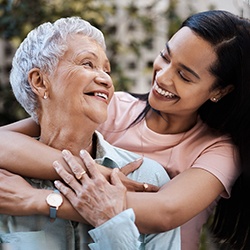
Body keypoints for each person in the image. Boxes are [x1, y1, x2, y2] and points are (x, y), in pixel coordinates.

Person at [0, 9, 249, 249]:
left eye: (184, 76)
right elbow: (5, 141)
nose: (163, 77)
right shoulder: (111, 107)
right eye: (165, 56)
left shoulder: (219, 150)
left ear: (219, 90)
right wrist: (104, 173)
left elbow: (164, 211)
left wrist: (42, 201)